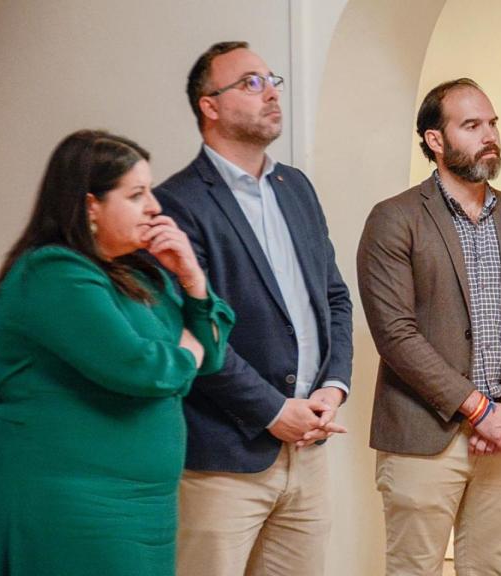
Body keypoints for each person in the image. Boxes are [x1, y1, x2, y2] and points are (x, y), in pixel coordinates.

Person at [154, 41, 353, 576]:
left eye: (272, 80)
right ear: (209, 105)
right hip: (224, 457)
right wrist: (272, 410)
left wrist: (332, 387)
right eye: (250, 82)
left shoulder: (297, 188)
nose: (270, 93)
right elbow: (194, 331)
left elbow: (333, 296)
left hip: (309, 449)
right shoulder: (178, 202)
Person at [0, 130, 234, 576]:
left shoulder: (142, 272)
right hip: (72, 502)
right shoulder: (52, 272)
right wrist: (187, 353)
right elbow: (140, 369)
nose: (155, 208)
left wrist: (191, 277)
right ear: (90, 205)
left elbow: (214, 351)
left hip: (146, 505)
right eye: (136, 194)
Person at [358, 78, 501, 576]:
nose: (489, 135)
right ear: (434, 140)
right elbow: (395, 334)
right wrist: (477, 408)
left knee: (491, 569)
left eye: (492, 123)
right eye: (471, 125)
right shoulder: (394, 218)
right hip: (425, 434)